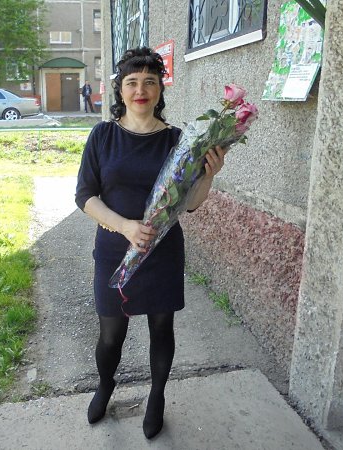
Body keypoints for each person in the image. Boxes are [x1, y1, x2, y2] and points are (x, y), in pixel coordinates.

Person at [75, 47, 226, 439]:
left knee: (162, 327)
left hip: (162, 252)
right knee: (111, 333)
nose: (140, 90)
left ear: (160, 89)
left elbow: (189, 204)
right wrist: (125, 226)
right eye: (132, 82)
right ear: (120, 90)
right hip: (114, 248)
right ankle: (105, 384)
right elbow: (85, 196)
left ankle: (157, 395)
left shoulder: (179, 140)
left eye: (149, 82)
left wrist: (208, 176)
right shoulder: (103, 135)